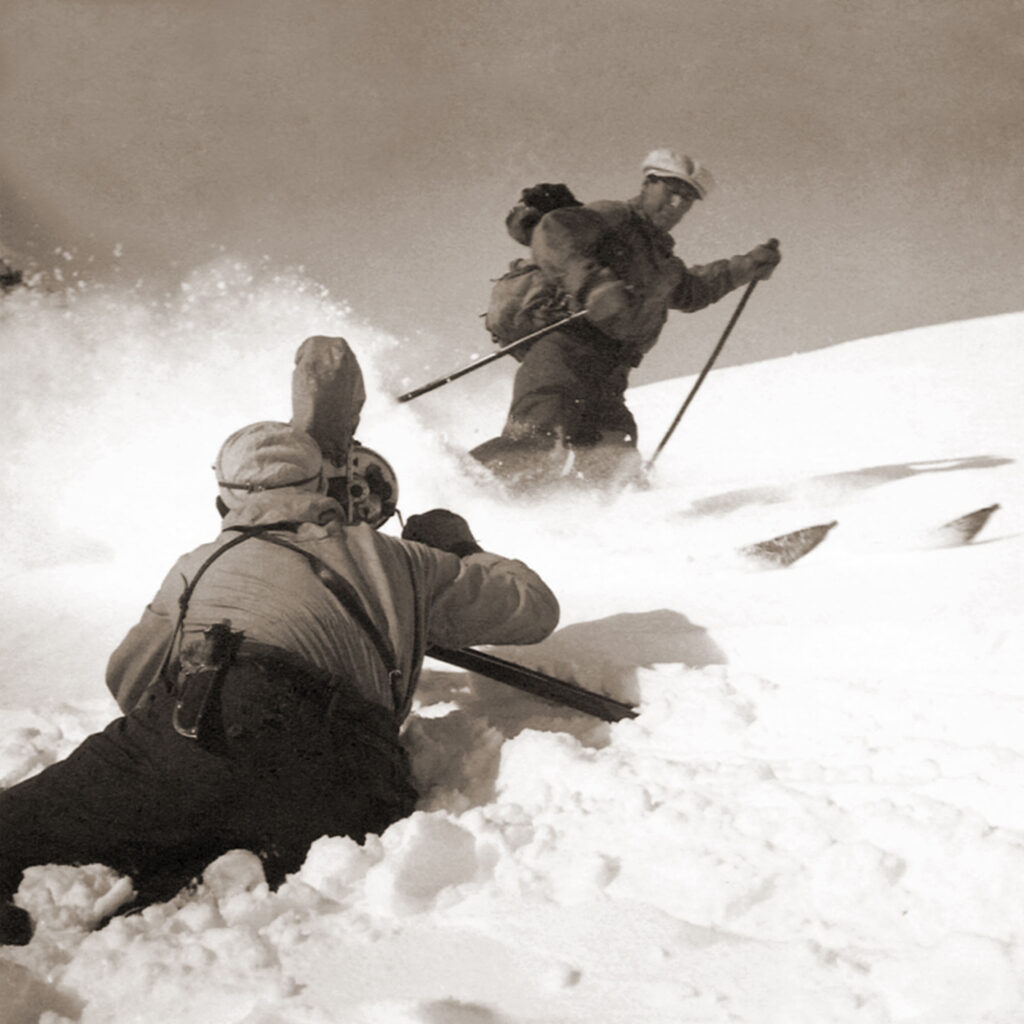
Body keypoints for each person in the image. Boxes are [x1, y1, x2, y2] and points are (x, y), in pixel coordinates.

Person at [0, 338, 560, 946]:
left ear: (224, 500)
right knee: (279, 815)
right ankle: (238, 854)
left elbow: (130, 681)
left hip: (195, 736)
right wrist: (458, 548)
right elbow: (534, 609)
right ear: (325, 485)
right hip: (347, 781)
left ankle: (183, 846)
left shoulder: (198, 564)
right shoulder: (399, 559)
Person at [471, 147, 782, 487]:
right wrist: (593, 286)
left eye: (687, 199)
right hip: (566, 350)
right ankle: (452, 494)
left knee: (615, 463)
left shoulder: (663, 262)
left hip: (610, 375)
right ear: (648, 183)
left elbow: (693, 291)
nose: (676, 205)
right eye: (671, 191)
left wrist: (747, 266)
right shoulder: (613, 217)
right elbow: (553, 231)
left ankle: (587, 528)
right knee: (534, 445)